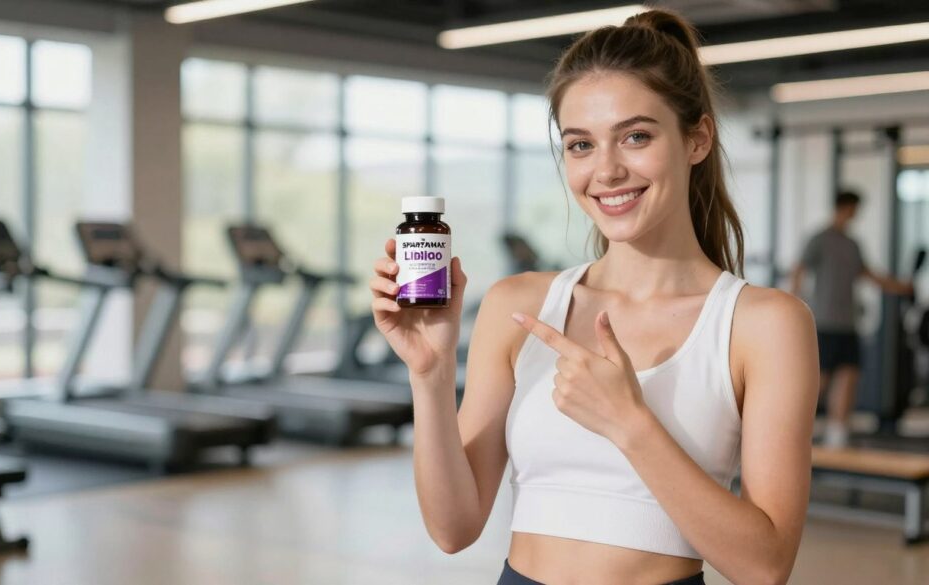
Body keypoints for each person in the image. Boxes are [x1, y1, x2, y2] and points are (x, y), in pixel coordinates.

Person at [369, 9, 818, 585]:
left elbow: (766, 566)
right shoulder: (519, 307)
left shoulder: (764, 324)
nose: (606, 170)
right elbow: (453, 529)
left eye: (636, 137)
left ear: (697, 139)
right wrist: (429, 375)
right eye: (581, 145)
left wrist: (630, 424)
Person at [790, 190, 914, 448]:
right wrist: (793, 304)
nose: (857, 214)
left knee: (848, 375)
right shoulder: (820, 239)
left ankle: (837, 433)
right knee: (819, 380)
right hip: (824, 322)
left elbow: (867, 274)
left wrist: (899, 287)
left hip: (848, 323)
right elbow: (799, 269)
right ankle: (794, 430)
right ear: (845, 207)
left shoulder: (852, 244)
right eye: (855, 209)